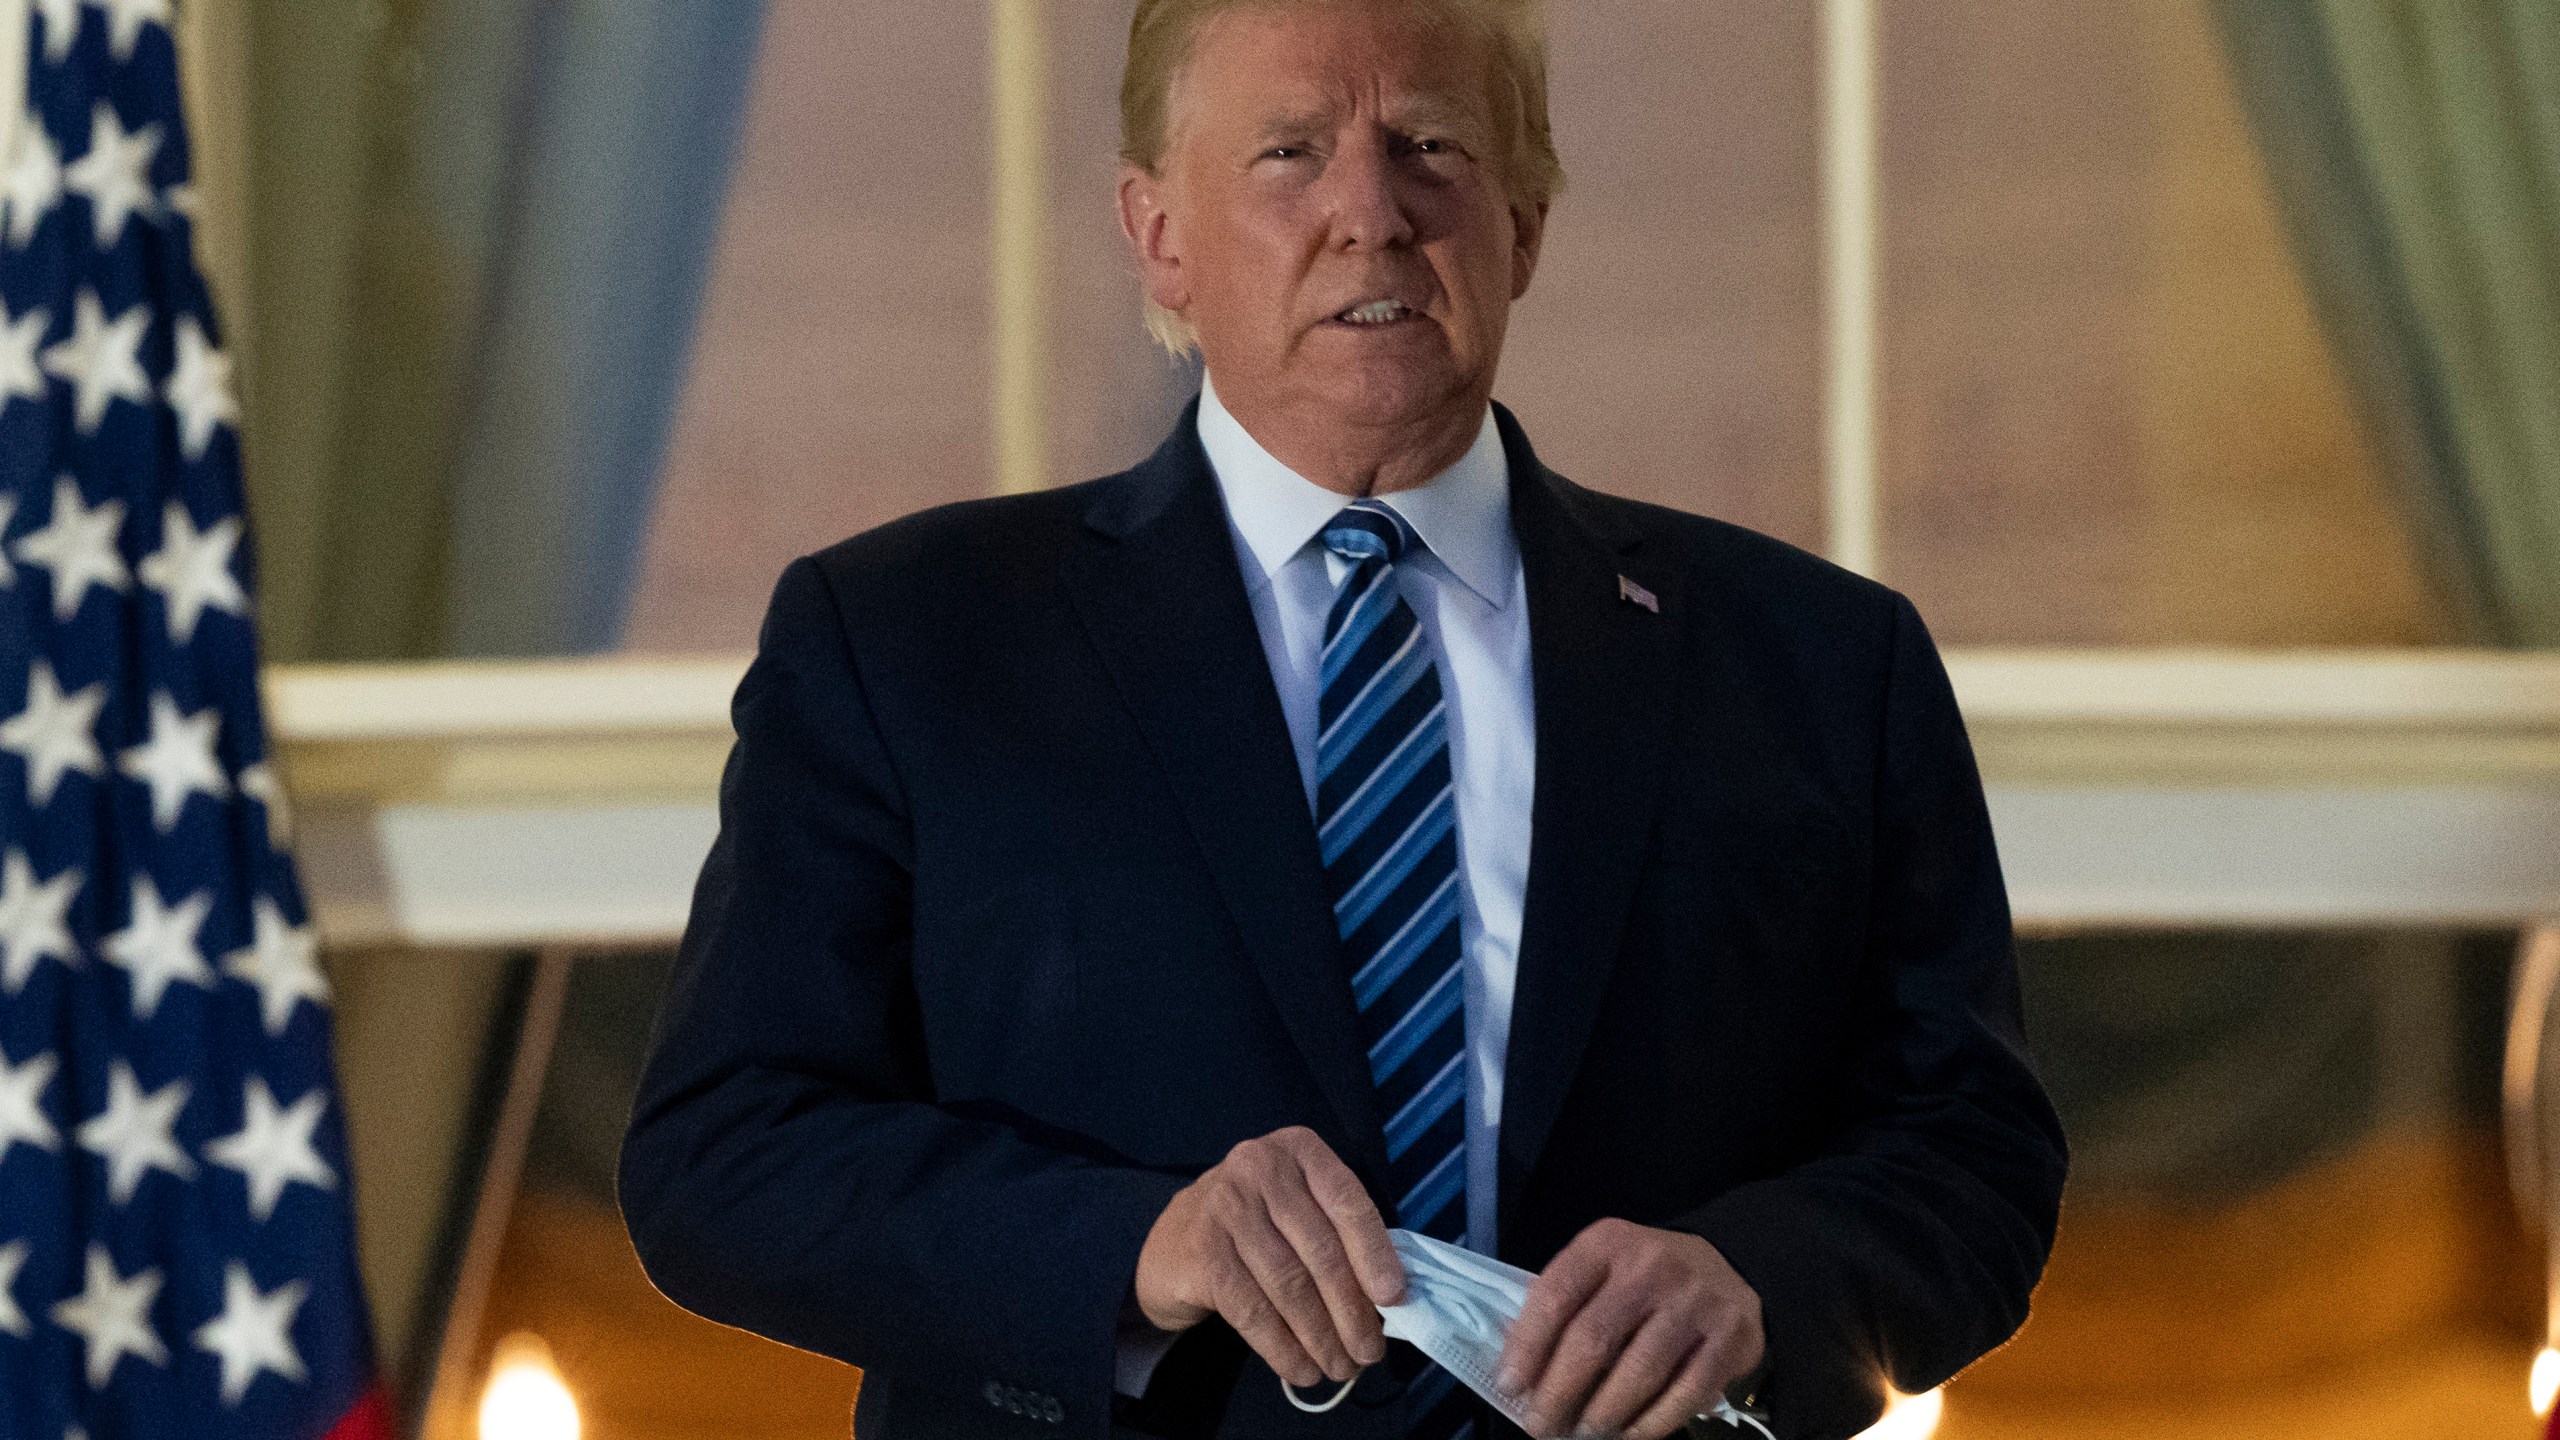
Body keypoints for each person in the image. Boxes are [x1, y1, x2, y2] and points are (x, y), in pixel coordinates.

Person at [618, 1, 2067, 1437]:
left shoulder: (1818, 663)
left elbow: (1973, 1152)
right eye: (1290, 153)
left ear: (1527, 225)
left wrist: (1763, 1288)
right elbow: (724, 1153)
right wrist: (1134, 1245)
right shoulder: (909, 642)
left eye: (1432, 147)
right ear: (1158, 234)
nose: (1371, 213)